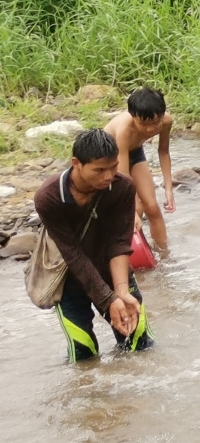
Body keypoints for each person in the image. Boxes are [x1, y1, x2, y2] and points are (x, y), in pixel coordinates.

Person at [32, 127, 152, 361]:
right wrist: (108, 301)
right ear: (76, 163)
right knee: (83, 352)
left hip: (113, 269)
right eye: (99, 170)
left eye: (113, 167)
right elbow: (72, 254)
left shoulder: (123, 186)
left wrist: (120, 292)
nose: (108, 177)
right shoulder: (49, 197)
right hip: (69, 276)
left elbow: (119, 243)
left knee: (138, 342)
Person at [103, 86, 175, 255]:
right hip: (111, 158)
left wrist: (169, 189)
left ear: (162, 115)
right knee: (135, 210)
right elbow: (123, 175)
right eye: (143, 124)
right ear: (132, 116)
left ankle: (164, 255)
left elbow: (163, 152)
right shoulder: (124, 130)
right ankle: (134, 252)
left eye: (155, 123)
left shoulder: (166, 122)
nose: (150, 129)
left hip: (135, 152)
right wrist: (132, 211)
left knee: (152, 207)